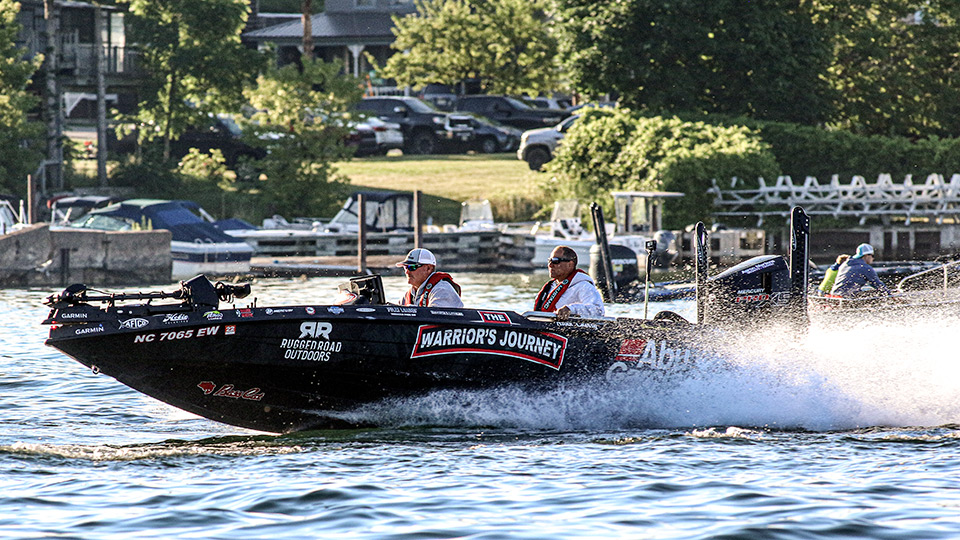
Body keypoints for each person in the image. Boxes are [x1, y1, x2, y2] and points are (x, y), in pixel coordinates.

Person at [533, 246, 605, 319]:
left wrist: (571, 309)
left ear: (570, 264)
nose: (550, 265)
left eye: (555, 261)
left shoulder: (583, 286)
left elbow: (598, 310)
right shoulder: (549, 287)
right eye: (549, 261)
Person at [396, 248, 463, 308]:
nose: (407, 272)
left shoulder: (442, 290)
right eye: (405, 267)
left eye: (412, 267)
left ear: (428, 268)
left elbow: (437, 316)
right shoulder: (408, 296)